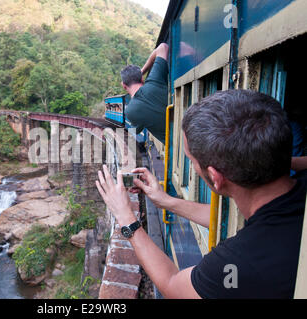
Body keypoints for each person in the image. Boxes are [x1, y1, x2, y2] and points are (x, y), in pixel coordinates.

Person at [96, 90, 307, 298]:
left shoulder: (236, 263)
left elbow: (172, 285)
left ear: (215, 177)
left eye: (192, 161)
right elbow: (228, 220)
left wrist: (126, 219)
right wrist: (167, 201)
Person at [121, 43, 169, 144]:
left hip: (177, 148)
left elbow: (135, 130)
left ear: (124, 85)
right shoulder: (154, 81)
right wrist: (142, 71)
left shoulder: (131, 111)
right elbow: (163, 47)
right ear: (142, 78)